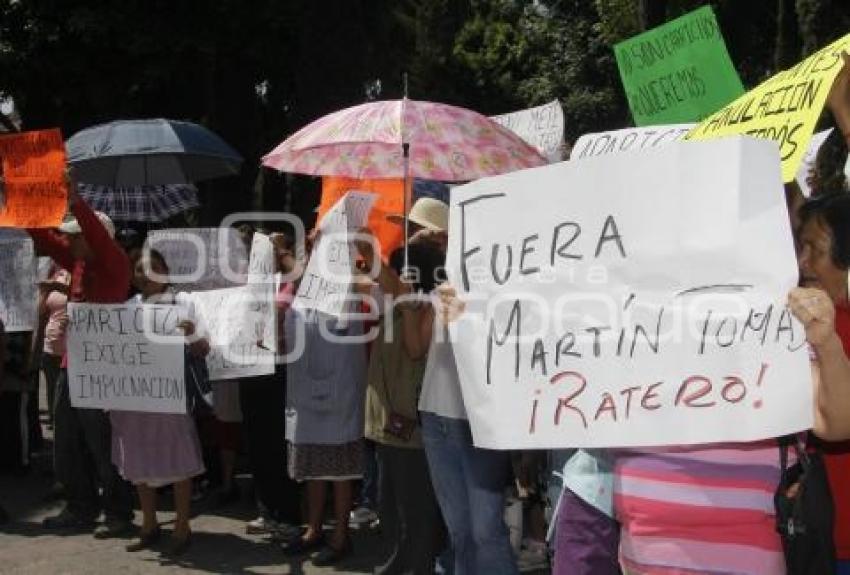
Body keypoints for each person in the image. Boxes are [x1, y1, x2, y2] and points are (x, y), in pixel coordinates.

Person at [394, 197, 520, 575]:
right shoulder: (437, 290)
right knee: (460, 531)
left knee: (486, 531)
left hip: (478, 422)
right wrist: (411, 302)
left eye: (427, 235)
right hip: (435, 419)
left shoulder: (502, 290)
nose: (418, 240)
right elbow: (415, 350)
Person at [28, 182, 134, 537]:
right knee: (67, 443)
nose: (69, 241)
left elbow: (93, 234)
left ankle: (118, 512)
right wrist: (20, 203)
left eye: (76, 236)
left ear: (95, 238)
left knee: (103, 445)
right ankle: (81, 507)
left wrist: (75, 199)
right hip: (72, 367)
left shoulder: (114, 262)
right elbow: (45, 241)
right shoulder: (77, 262)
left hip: (104, 371)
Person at [353, 235, 446, 575]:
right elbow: (385, 280)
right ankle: (395, 565)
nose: (391, 276)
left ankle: (415, 568)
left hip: (410, 428)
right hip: (388, 428)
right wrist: (366, 252)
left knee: (415, 514)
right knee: (390, 508)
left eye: (398, 269)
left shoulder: (424, 308)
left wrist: (406, 304)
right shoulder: (399, 300)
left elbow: (413, 350)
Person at [112, 250, 207, 556]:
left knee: (177, 459)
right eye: (140, 269)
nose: (145, 274)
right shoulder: (128, 308)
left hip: (171, 397)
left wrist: (192, 334)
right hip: (136, 401)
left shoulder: (186, 304)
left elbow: (204, 350)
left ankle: (182, 526)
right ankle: (149, 524)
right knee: (139, 459)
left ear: (166, 270)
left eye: (153, 267)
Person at [281, 241, 368, 566]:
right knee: (315, 471)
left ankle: (340, 535)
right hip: (306, 399)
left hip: (339, 399)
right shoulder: (301, 297)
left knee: (341, 473)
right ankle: (313, 529)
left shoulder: (348, 289)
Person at [797, 192, 850, 575]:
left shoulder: (831, 330)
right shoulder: (797, 326)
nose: (803, 263)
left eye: (814, 249)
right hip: (824, 540)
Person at [240, 231, 302, 540]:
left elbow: (302, 280)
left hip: (282, 368)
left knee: (280, 443)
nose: (269, 251)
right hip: (250, 366)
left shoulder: (293, 280)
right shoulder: (249, 281)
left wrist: (281, 254)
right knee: (257, 442)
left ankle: (289, 514)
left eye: (278, 246)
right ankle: (267, 510)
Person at [38, 266, 70, 428]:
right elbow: (43, 311)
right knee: (52, 387)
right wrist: (43, 293)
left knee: (65, 390)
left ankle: (66, 425)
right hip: (49, 345)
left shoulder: (80, 276)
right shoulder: (55, 274)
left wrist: (58, 287)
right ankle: (54, 419)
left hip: (69, 349)